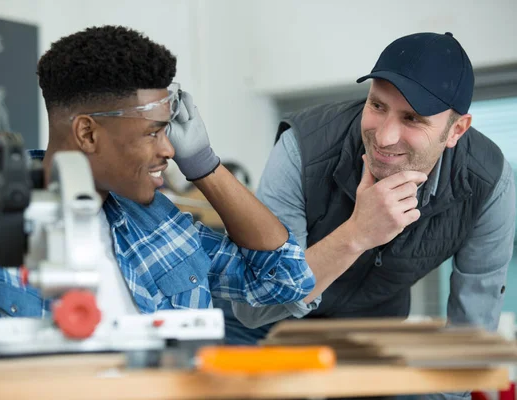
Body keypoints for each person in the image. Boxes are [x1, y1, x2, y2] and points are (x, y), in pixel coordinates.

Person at [0, 25, 316, 328]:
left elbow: (285, 279)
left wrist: (206, 166)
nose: (170, 150)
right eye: (153, 131)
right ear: (88, 133)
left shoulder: (164, 227)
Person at [220, 32, 515, 350]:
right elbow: (253, 307)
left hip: (369, 333)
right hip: (261, 334)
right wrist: (356, 234)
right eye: (377, 105)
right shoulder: (302, 147)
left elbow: (469, 337)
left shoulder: (490, 183)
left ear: (456, 129)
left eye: (412, 119)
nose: (385, 137)